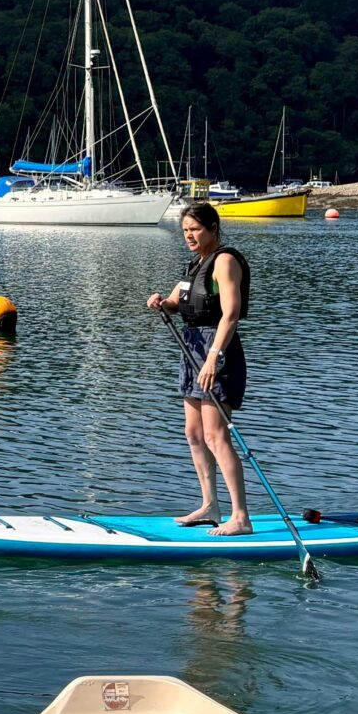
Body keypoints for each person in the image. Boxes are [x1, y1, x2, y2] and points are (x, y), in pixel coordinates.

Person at [147, 201, 253, 535]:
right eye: (185, 231)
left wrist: (213, 356)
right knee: (193, 433)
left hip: (216, 352)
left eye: (195, 230)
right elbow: (177, 303)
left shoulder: (225, 261)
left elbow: (230, 313)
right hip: (191, 349)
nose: (189, 236)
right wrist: (161, 303)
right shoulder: (195, 264)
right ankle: (210, 505)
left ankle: (241, 517)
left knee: (215, 434)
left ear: (213, 229)